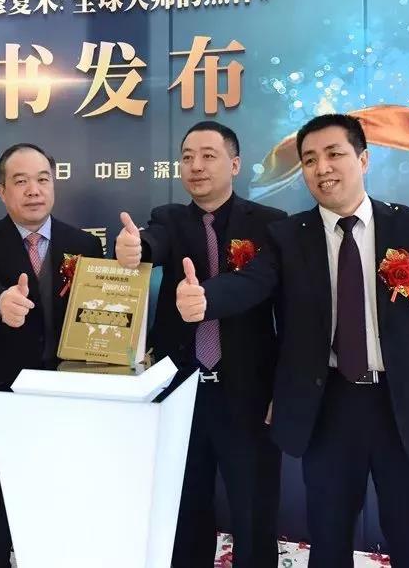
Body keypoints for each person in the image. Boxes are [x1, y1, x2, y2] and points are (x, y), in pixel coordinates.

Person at [176, 113, 409, 567]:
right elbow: (252, 282)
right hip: (328, 406)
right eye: (309, 159)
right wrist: (206, 299)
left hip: (406, 406)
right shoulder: (289, 236)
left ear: (363, 159)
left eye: (334, 154)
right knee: (329, 543)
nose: (322, 168)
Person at [115, 121, 286, 567]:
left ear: (235, 164)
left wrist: (283, 387)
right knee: (185, 511)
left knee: (254, 512)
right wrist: (135, 250)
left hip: (249, 394)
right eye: (187, 157)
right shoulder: (169, 218)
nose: (196, 166)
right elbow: (152, 242)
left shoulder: (270, 224)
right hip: (182, 392)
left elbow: (276, 299)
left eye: (208, 156)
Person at [0, 143, 103, 567]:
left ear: (54, 184)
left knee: (62, 507)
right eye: (20, 181)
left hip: (68, 398)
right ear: (2, 191)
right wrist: (1, 301)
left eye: (42, 179)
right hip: (0, 395)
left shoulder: (85, 244)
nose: (33, 190)